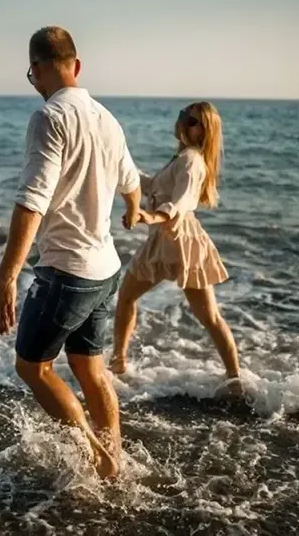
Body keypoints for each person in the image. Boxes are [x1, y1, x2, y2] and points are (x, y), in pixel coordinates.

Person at [0, 26, 141, 479]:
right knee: (88, 366)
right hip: (105, 270)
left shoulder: (49, 116)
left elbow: (32, 200)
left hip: (68, 272)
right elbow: (132, 182)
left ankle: (98, 456)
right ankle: (114, 462)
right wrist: (131, 211)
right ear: (77, 66)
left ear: (35, 71)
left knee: (31, 367)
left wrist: (6, 278)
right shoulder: (107, 118)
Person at [109, 102, 241, 394]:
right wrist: (121, 165)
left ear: (204, 131)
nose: (182, 121)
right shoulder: (180, 156)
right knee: (127, 295)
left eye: (191, 120)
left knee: (209, 316)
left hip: (182, 241)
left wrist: (153, 216)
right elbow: (152, 185)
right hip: (161, 240)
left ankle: (235, 378)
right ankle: (118, 361)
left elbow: (181, 202)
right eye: (183, 115)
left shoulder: (193, 161)